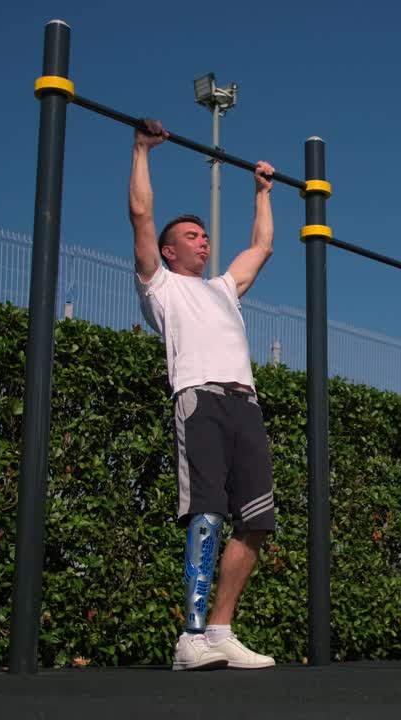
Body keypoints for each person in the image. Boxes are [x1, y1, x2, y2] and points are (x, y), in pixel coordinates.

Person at [129, 117, 277, 671]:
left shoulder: (223, 289)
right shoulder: (160, 288)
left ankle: (220, 629)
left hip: (246, 403)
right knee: (209, 513)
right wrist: (143, 150)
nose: (204, 240)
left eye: (204, 235)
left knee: (257, 520)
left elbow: (261, 245)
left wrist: (262, 193)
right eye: (192, 236)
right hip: (200, 400)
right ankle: (189, 638)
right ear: (168, 252)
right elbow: (141, 214)